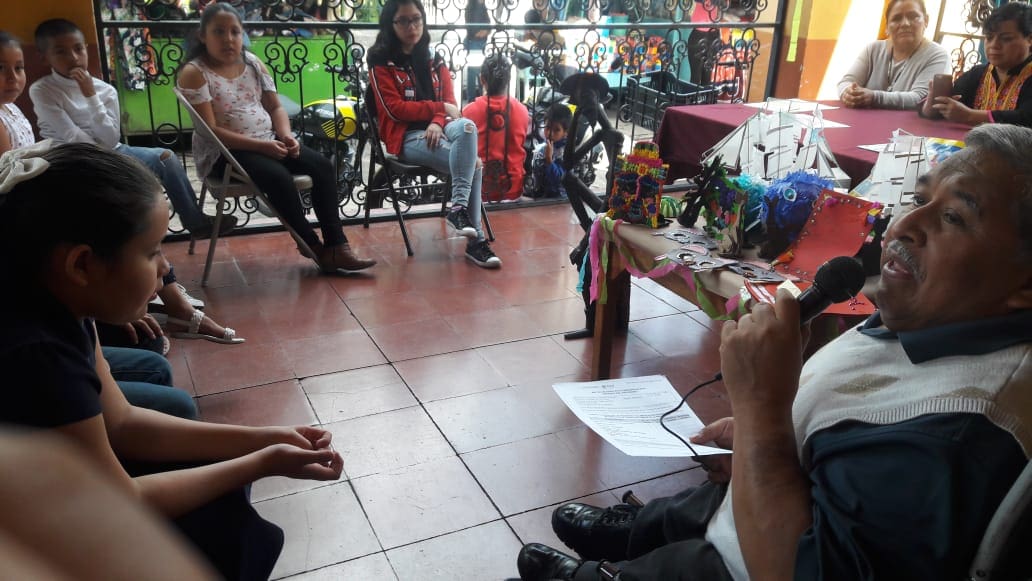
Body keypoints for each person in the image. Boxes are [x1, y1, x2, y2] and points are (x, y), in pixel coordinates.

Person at [513, 123, 1032, 580]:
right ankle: (643, 534)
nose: (904, 227)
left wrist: (762, 414)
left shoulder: (952, 439)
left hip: (745, 560)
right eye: (920, 200)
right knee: (696, 507)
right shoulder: (950, 316)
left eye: (954, 218)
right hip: (761, 500)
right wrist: (766, 438)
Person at [0, 141, 346, 580]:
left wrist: (264, 438)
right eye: (152, 252)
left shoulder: (60, 300)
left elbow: (122, 423)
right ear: (82, 265)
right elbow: (119, 501)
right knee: (222, 525)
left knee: (221, 502)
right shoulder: (38, 354)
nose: (166, 269)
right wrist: (264, 461)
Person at [177, 2, 376, 274]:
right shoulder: (195, 72)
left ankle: (337, 246)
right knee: (279, 178)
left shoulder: (252, 63)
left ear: (242, 34)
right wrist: (263, 147)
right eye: (219, 32)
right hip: (223, 152)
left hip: (268, 139)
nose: (228, 39)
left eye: (235, 32)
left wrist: (286, 136)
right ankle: (312, 246)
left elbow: (275, 107)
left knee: (321, 166)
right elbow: (210, 131)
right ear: (203, 36)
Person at [28, 18, 235, 240]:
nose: (74, 58)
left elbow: (110, 139)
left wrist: (90, 96)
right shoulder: (42, 90)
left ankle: (196, 223)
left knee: (166, 158)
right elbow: (70, 136)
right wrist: (109, 157)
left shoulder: (105, 90)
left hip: (111, 150)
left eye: (79, 49)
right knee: (122, 188)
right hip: (70, 157)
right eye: (61, 52)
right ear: (44, 57)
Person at [367, 0, 502, 268]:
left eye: (416, 19)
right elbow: (395, 109)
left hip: (439, 128)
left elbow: (449, 101)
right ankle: (476, 243)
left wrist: (438, 121)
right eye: (404, 21)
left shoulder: (433, 57)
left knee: (467, 126)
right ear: (390, 24)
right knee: (473, 163)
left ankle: (458, 208)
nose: (412, 27)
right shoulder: (381, 61)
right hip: (406, 136)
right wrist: (438, 110)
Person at [933, 2, 1032, 128]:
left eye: (1006, 38)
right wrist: (933, 102)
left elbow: (1026, 118)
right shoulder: (977, 74)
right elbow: (948, 105)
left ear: (1030, 40)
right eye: (989, 38)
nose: (994, 45)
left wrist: (970, 116)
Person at [837, 0, 949, 110]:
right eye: (896, 18)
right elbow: (846, 82)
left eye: (913, 16)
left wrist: (874, 97)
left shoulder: (937, 55)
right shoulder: (872, 50)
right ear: (886, 27)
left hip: (907, 123)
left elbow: (920, 98)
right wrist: (848, 93)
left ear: (926, 21)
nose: (905, 23)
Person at [462, 53, 530, 203]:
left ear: (482, 79)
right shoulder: (522, 111)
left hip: (481, 191)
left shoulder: (469, 112)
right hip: (514, 189)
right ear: (509, 79)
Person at [526, 102, 572, 199]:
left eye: (556, 130)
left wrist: (549, 160)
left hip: (557, 198)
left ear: (566, 132)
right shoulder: (545, 145)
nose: (550, 133)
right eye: (548, 127)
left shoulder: (564, 152)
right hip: (541, 193)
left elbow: (559, 179)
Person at [0, 32, 33, 154]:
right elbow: (7, 166)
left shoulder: (10, 107)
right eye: (0, 68)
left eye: (18, 68)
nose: (13, 77)